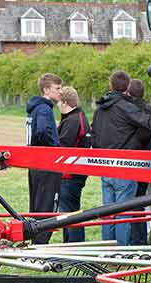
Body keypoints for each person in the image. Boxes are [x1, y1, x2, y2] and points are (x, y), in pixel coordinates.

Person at [91, 70, 151, 246]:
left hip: (104, 167)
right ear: (127, 87)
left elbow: (94, 136)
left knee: (107, 212)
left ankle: (107, 250)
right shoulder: (125, 107)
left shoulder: (100, 108)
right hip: (124, 166)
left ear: (110, 85)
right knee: (125, 212)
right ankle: (122, 252)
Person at [26, 73, 63, 244]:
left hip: (34, 162)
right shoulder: (44, 109)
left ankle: (35, 239)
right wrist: (53, 148)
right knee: (46, 205)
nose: (60, 92)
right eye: (57, 88)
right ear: (46, 89)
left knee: (37, 203)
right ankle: (41, 242)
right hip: (45, 163)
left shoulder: (35, 108)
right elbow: (41, 131)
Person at [57, 86, 92, 243]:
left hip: (69, 175)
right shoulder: (77, 117)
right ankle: (69, 243)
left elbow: (62, 148)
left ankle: (74, 244)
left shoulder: (72, 121)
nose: (56, 105)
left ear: (64, 102)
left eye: (58, 101)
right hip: (75, 174)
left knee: (70, 214)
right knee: (70, 213)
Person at [125, 78, 151, 246]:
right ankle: (139, 239)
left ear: (128, 93)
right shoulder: (150, 110)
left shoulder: (128, 110)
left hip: (132, 159)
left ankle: (133, 240)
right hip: (147, 158)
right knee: (140, 201)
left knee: (128, 202)